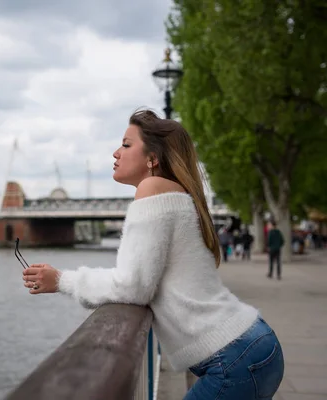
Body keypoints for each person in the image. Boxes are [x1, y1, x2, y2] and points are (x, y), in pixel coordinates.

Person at [21, 110, 284, 399]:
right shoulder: (178, 195)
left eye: (126, 144)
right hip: (252, 345)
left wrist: (61, 280)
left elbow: (132, 286)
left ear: (153, 158)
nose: (115, 152)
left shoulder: (152, 188)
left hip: (234, 359)